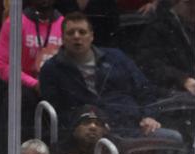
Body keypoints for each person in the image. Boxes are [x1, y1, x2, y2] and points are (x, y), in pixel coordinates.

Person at [38, 12, 178, 142]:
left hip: (132, 128)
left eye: (82, 32)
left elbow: (145, 90)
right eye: (70, 33)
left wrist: (149, 116)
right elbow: (55, 114)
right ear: (62, 38)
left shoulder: (117, 57)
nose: (76, 36)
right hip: (86, 136)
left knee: (174, 138)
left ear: (91, 36)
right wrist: (86, 124)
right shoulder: (51, 69)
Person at [134, 0, 195, 95]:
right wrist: (183, 80)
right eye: (189, 3)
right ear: (175, 2)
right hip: (172, 92)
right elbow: (151, 65)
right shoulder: (158, 28)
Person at [0, 0, 62, 92]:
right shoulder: (14, 23)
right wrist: (34, 84)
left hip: (57, 88)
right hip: (23, 88)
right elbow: (3, 65)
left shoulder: (65, 25)